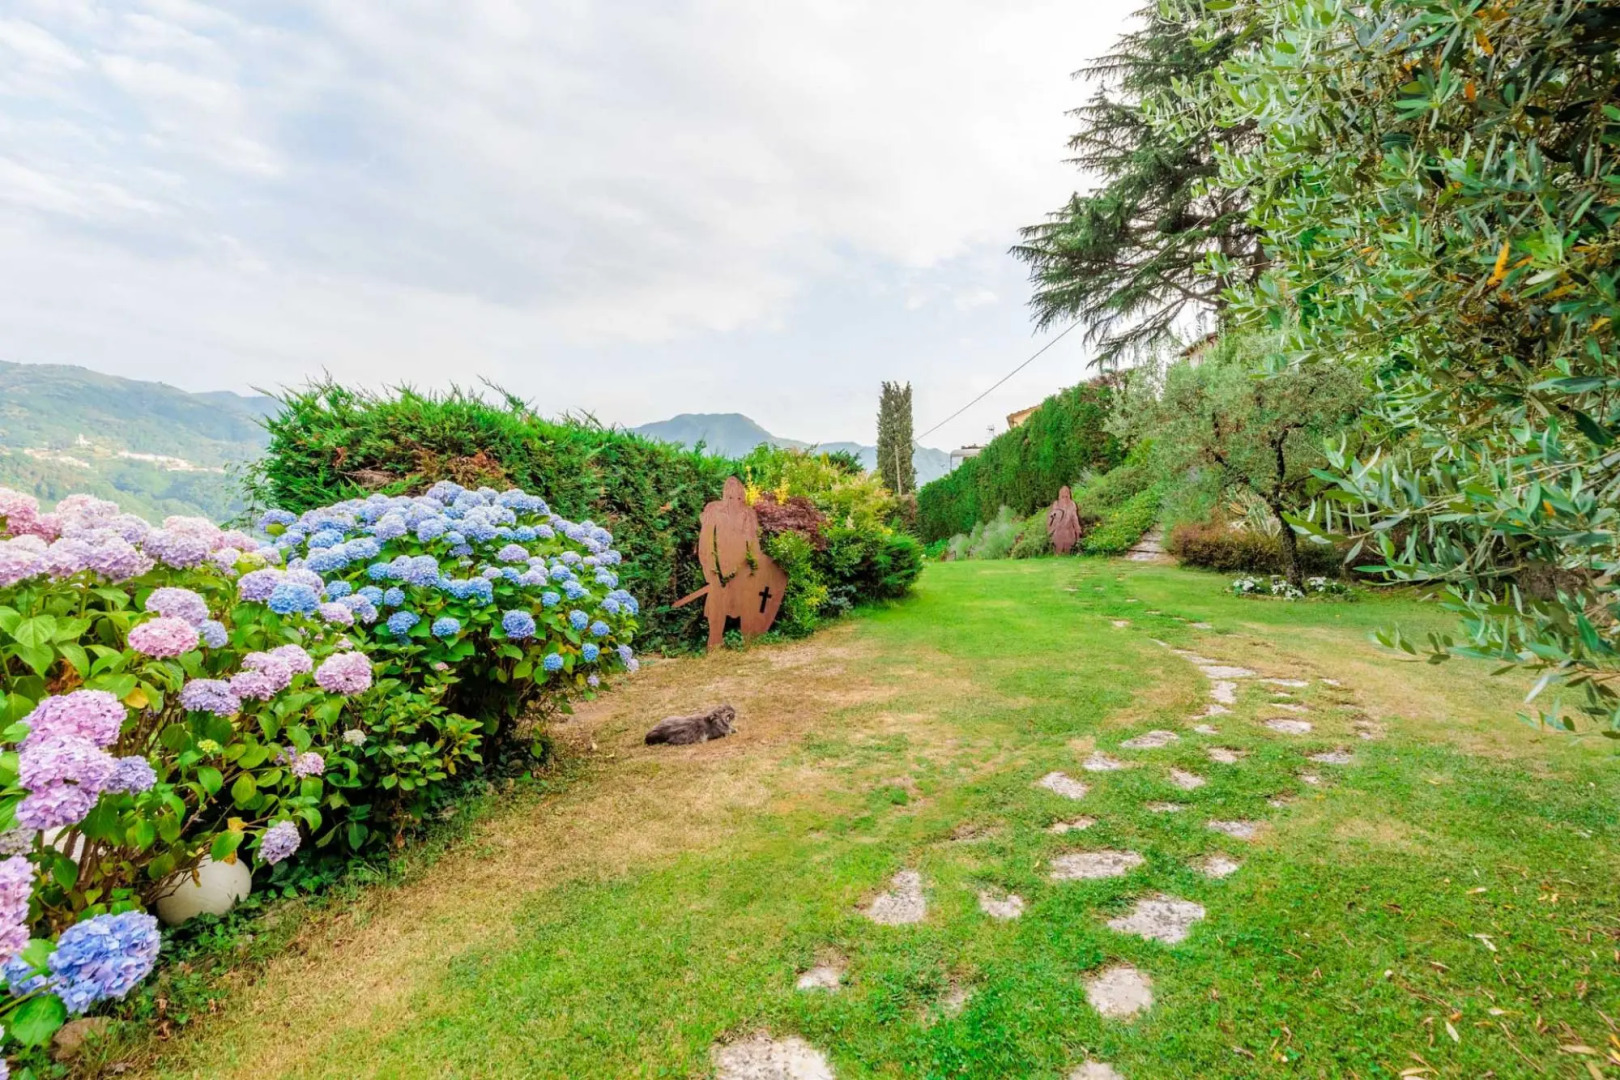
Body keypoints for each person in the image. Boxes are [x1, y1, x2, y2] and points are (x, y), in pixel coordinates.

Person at [1047, 485, 1081, 555]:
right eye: (1063, 494)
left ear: (1069, 494)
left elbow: (1075, 518)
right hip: (1058, 531)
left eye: (1066, 493)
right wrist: (1050, 529)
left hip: (1069, 532)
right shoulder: (1056, 504)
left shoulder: (1072, 504)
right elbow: (1052, 518)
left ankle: (1067, 554)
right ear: (1060, 495)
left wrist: (1077, 529)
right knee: (1058, 550)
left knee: (1068, 551)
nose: (1065, 495)